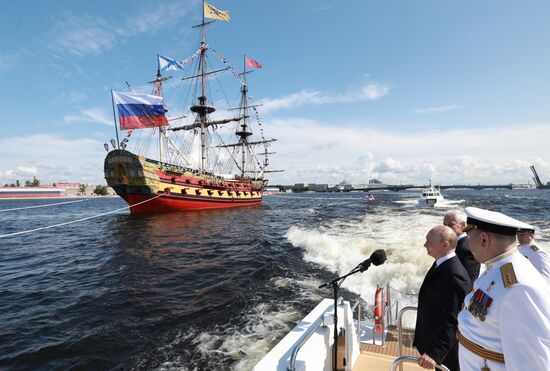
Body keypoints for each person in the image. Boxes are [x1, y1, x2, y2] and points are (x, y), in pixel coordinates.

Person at [457, 207, 550, 371]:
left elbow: (534, 364)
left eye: (469, 237)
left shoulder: (519, 287)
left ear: (484, 240)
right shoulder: (497, 268)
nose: (468, 243)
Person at [414, 225, 471, 371]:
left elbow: (454, 319)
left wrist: (435, 353)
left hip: (447, 353)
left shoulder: (454, 275)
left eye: (429, 243)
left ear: (445, 245)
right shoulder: (441, 263)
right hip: (431, 339)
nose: (425, 245)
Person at [444, 210, 481, 285]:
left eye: (450, 225)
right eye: (444, 224)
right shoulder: (450, 244)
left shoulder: (468, 249)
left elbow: (469, 282)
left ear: (463, 225)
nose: (446, 228)